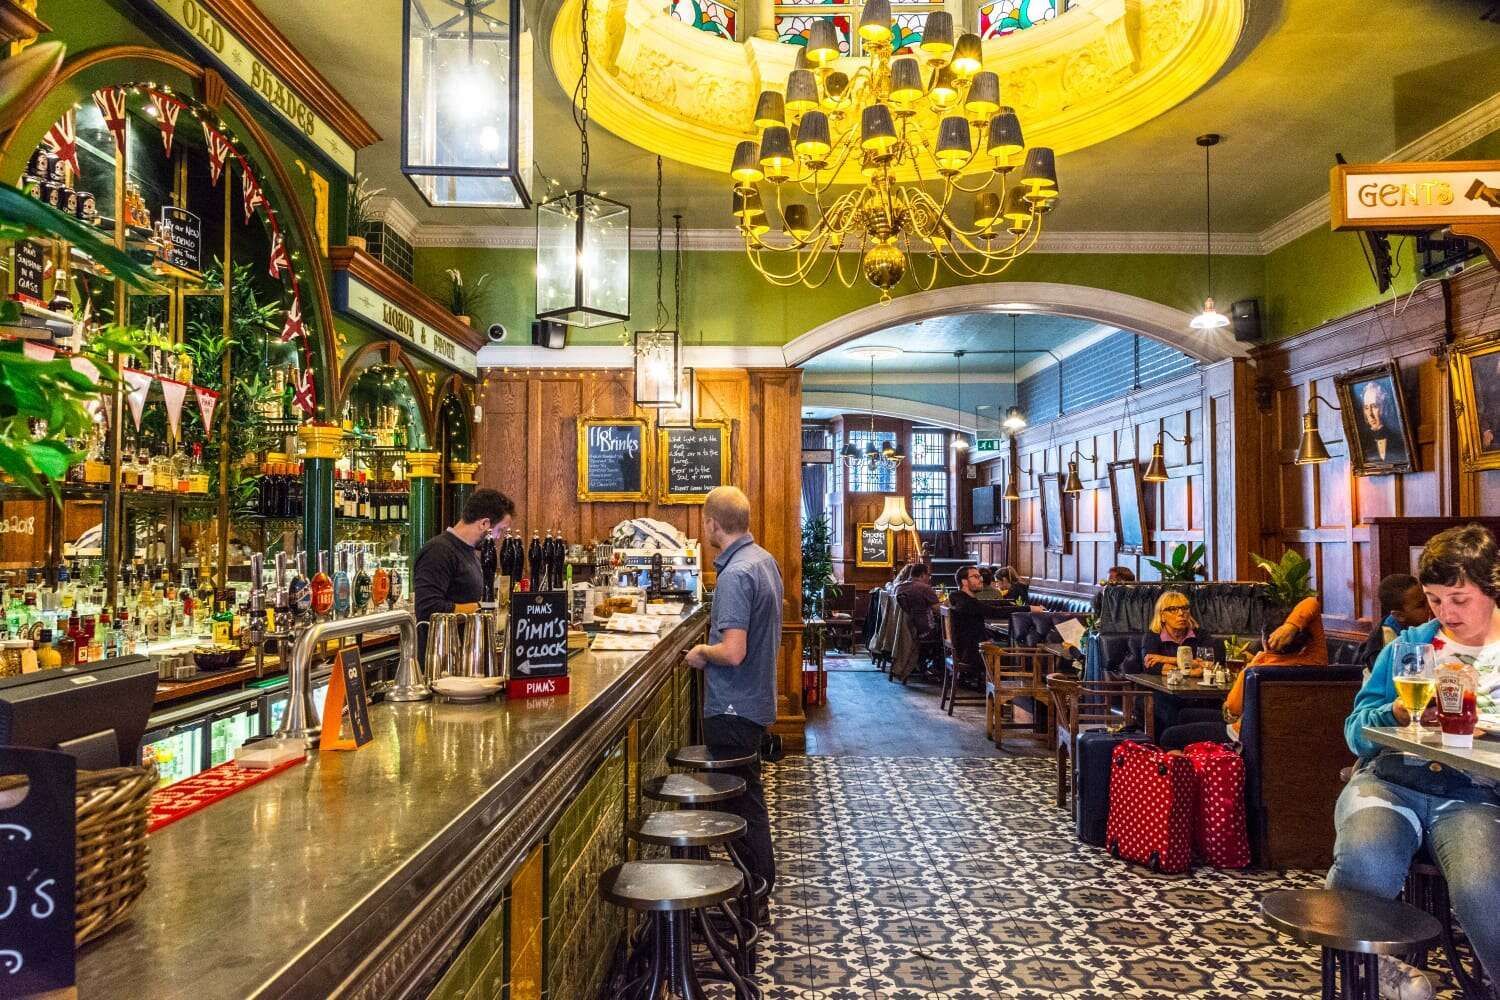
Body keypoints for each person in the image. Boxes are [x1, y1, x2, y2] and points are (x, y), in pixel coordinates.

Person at [1328, 524, 1500, 998]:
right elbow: (1355, 732)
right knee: (1366, 857)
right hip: (1390, 780)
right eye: (1434, 599)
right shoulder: (1408, 648)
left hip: (1473, 795)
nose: (1446, 613)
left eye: (1459, 599)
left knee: (1484, 887)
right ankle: (1371, 971)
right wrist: (1396, 712)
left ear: (1492, 588)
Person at [683, 486, 783, 917]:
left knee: (741, 807)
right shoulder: (763, 560)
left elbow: (733, 651)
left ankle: (754, 898)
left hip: (732, 705)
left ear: (712, 523)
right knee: (747, 802)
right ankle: (755, 894)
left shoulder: (734, 575)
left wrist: (701, 653)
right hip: (754, 700)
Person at [1219, 593, 1329, 737]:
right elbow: (1312, 602)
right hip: (1302, 738)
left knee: (1190, 722)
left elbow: (1232, 711)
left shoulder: (1254, 671)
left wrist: (1256, 660)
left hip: (1248, 739)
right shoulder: (1316, 660)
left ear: (1264, 639)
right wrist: (1291, 626)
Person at [413, 488, 514, 637]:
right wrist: (483, 608)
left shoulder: (470, 553)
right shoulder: (438, 551)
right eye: (500, 530)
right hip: (444, 648)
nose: (498, 537)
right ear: (484, 523)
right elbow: (428, 609)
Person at [1355, 574, 1431, 672]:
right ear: (1399, 615)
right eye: (1421, 605)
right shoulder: (1382, 647)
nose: (1430, 606)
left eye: (1428, 598)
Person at [1140, 590, 1214, 674]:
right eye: (1173, 609)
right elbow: (1150, 667)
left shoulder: (1201, 635)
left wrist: (1165, 659)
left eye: (1184, 608)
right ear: (1162, 616)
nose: (1181, 613)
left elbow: (1207, 665)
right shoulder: (1152, 636)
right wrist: (1191, 669)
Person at [947, 565, 997, 674]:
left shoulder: (957, 598)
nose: (981, 579)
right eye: (976, 577)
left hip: (962, 651)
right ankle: (1003, 682)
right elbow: (994, 612)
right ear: (964, 582)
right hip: (971, 654)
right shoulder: (967, 603)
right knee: (1012, 650)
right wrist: (1028, 608)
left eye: (980, 576)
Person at [1356, 379, 1408, 467]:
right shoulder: (1361, 444)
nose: (1370, 414)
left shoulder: (1399, 440)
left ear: (1385, 407)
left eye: (1374, 406)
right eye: (1366, 408)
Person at [895, 562, 941, 640]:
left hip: (906, 629)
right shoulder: (924, 588)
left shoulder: (899, 587)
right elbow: (938, 609)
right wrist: (948, 603)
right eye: (928, 575)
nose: (929, 578)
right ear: (922, 575)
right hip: (926, 630)